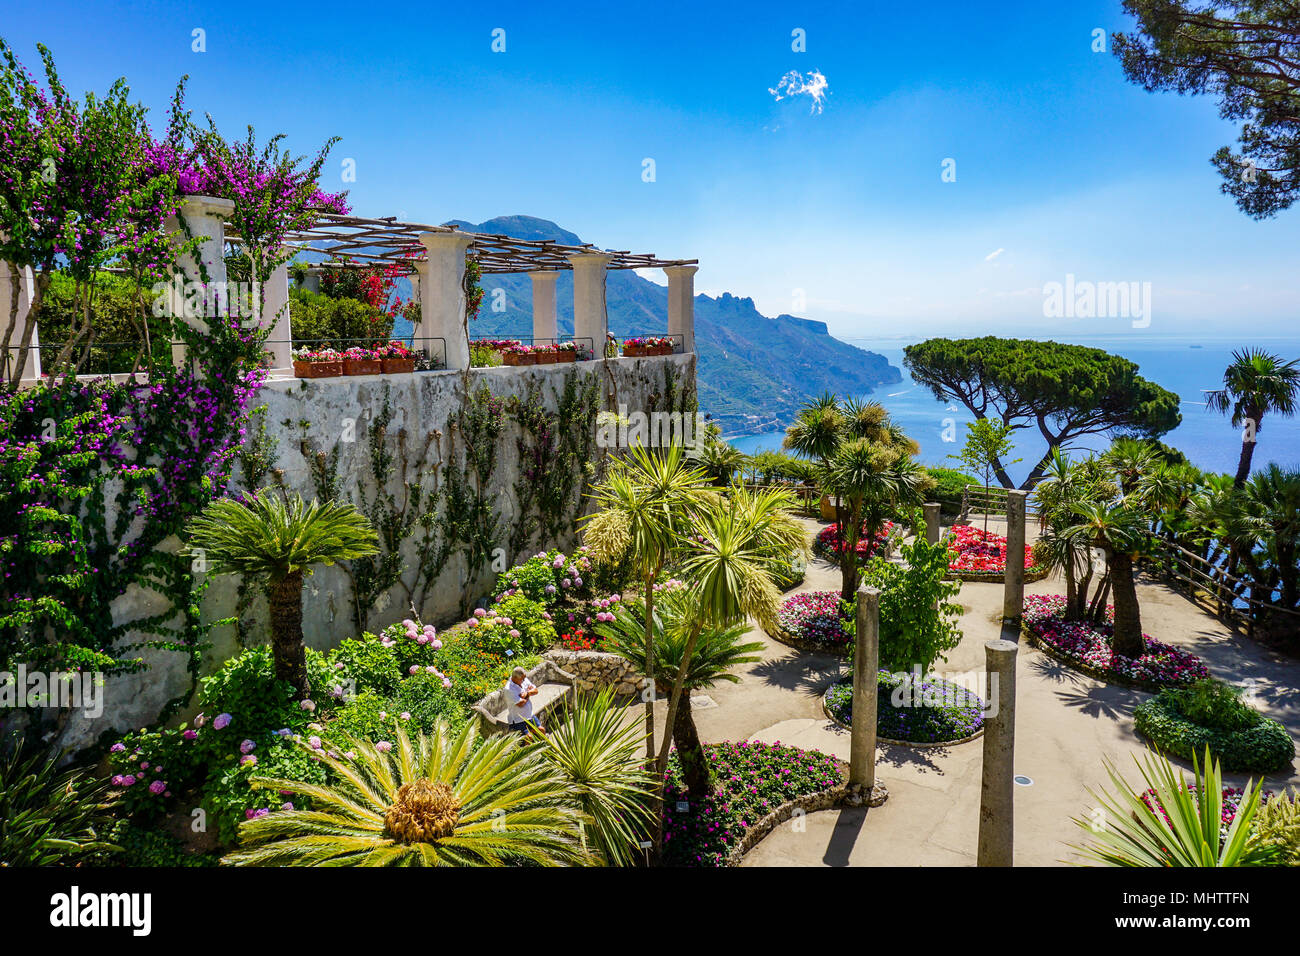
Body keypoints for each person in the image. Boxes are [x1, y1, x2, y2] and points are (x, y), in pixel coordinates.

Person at [505, 666, 543, 735]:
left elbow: (536, 691)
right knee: (529, 738)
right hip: (518, 720)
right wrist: (529, 694)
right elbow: (520, 704)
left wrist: (527, 693)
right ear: (515, 678)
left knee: (541, 730)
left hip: (529, 715)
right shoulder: (509, 689)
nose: (524, 680)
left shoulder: (524, 680)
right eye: (522, 679)